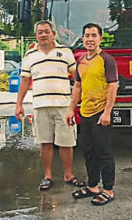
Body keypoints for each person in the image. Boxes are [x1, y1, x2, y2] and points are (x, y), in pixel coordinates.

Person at [15, 20, 85, 190]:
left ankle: (69, 175)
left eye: (47, 31)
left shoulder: (65, 52)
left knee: (66, 142)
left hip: (63, 105)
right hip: (40, 105)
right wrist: (19, 104)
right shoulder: (29, 56)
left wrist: (77, 100)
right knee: (45, 142)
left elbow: (78, 77)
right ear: (36, 36)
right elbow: (24, 81)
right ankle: (47, 176)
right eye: (40, 32)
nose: (43, 35)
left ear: (53, 34)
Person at [66, 23, 118, 206]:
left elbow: (113, 86)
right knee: (88, 151)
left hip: (100, 114)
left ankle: (109, 190)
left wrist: (107, 112)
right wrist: (71, 109)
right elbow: (77, 87)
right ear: (82, 38)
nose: (90, 39)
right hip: (85, 113)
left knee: (104, 152)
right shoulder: (81, 61)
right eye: (87, 35)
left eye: (94, 35)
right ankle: (93, 186)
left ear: (100, 39)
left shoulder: (107, 60)